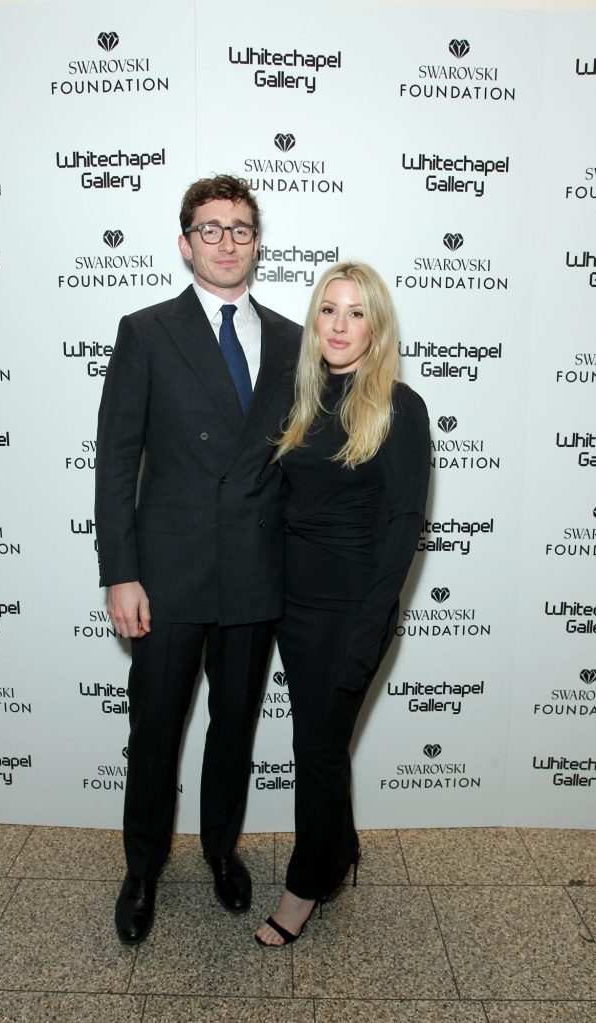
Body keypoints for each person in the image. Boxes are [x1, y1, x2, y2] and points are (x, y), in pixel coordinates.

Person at [95, 174, 301, 944]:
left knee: (235, 727)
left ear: (256, 241)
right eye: (209, 229)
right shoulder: (146, 331)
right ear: (185, 244)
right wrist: (121, 570)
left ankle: (220, 850)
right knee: (155, 732)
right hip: (168, 575)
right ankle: (142, 867)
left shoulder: (291, 339)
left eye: (240, 228)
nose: (225, 241)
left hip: (255, 572)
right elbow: (116, 462)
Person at [255, 261, 430, 947]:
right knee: (321, 748)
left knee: (316, 748)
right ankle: (342, 845)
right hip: (293, 610)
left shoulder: (398, 407)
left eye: (356, 312)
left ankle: (305, 885)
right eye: (328, 309)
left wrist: (369, 631)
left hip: (352, 610)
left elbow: (402, 527)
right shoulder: (300, 400)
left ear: (376, 326)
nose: (339, 324)